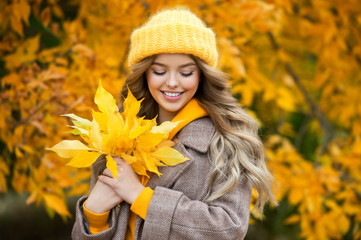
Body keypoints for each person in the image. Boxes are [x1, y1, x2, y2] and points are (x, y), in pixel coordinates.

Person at [72, 8, 277, 240]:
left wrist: (140, 197)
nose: (172, 82)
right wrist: (94, 216)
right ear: (145, 74)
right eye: (159, 71)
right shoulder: (118, 136)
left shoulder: (226, 140)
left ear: (201, 75)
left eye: (186, 72)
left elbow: (229, 228)